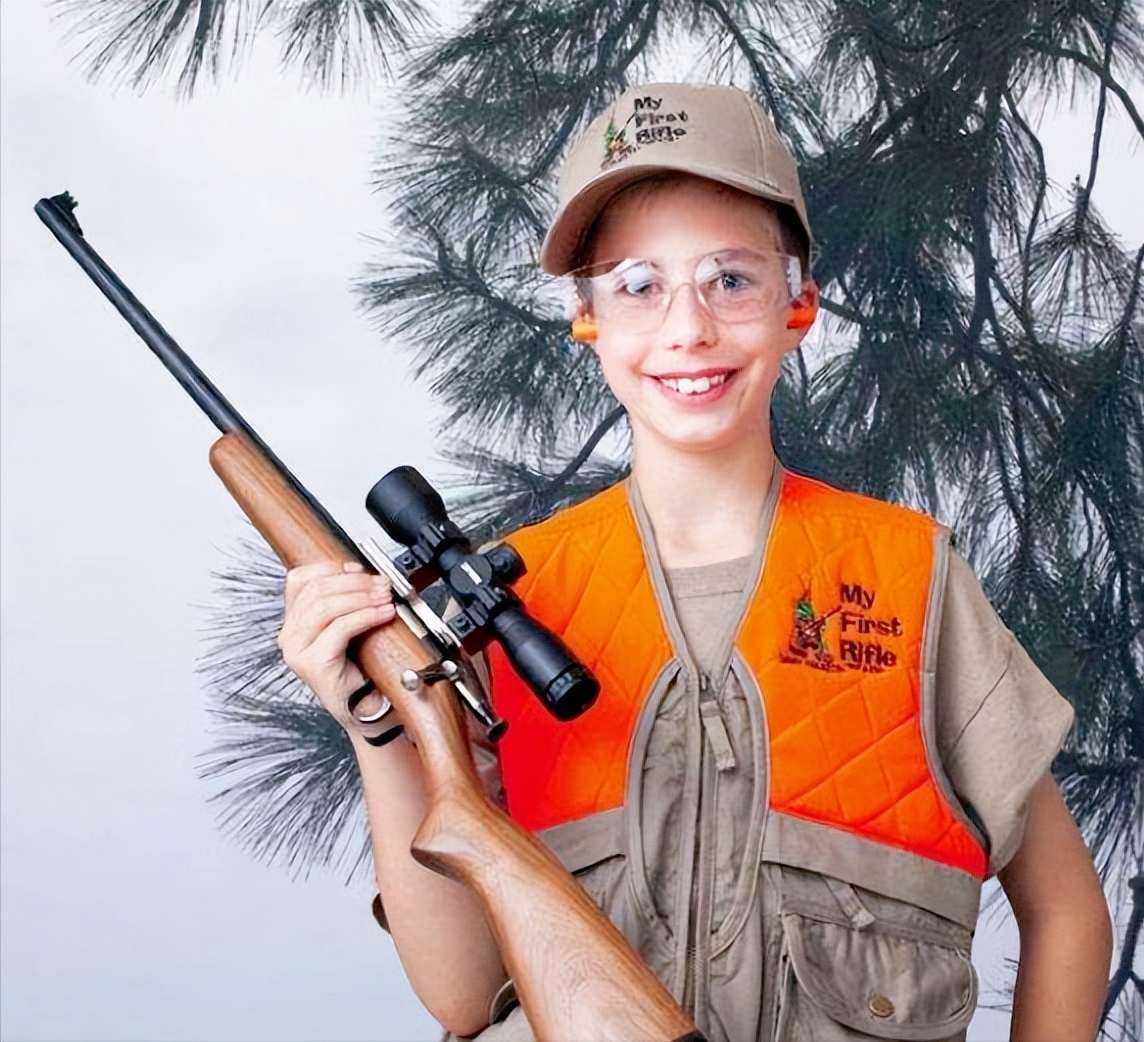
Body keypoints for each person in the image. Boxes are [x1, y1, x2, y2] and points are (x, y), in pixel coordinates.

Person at [278, 83, 1112, 1041]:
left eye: (730, 279)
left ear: (798, 301)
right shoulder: (509, 607)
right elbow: (463, 995)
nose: (688, 329)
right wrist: (381, 726)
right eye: (637, 284)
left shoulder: (909, 577)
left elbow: (1066, 910)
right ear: (585, 315)